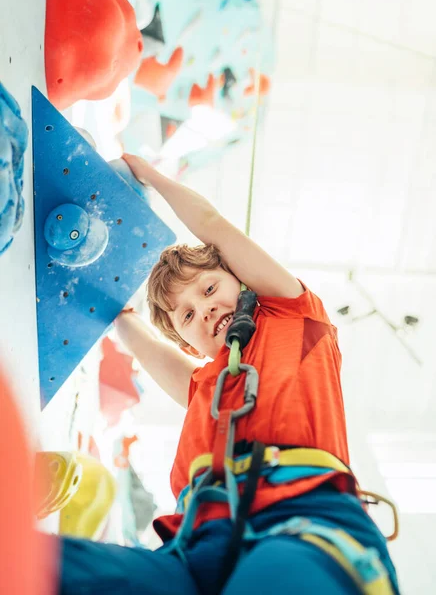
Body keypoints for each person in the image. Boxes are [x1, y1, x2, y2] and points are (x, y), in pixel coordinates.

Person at [48, 154, 400, 595]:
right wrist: (109, 305)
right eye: (188, 315)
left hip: (304, 522)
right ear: (188, 346)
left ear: (241, 279)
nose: (206, 307)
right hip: (194, 549)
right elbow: (144, 344)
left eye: (210, 288)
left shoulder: (295, 316)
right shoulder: (203, 387)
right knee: (50, 567)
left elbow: (213, 225)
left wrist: (152, 177)